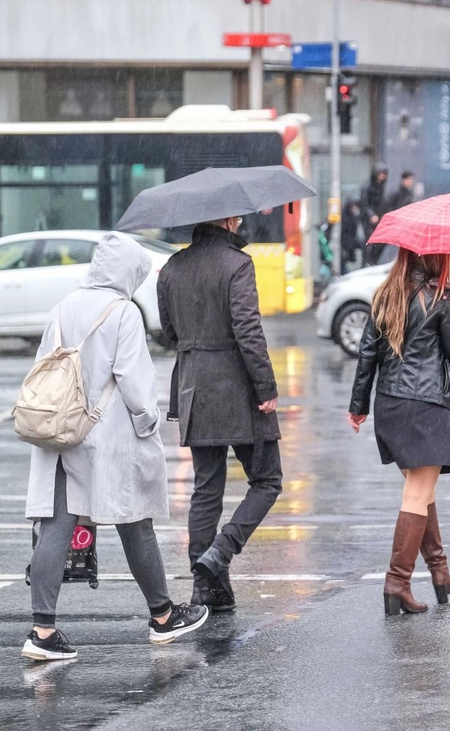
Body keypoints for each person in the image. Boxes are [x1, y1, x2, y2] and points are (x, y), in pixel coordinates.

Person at [22, 233, 207, 662]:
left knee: (56, 525)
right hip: (108, 438)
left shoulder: (64, 306)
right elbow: (134, 382)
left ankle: (42, 629)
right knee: (133, 519)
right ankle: (162, 617)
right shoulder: (123, 312)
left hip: (61, 429)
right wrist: (149, 423)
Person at [157, 217, 283, 612]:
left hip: (194, 386)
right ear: (228, 220)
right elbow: (248, 330)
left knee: (206, 488)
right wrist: (266, 387)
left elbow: (169, 332)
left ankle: (205, 586)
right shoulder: (237, 264)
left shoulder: (172, 268)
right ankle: (221, 551)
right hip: (238, 386)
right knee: (267, 479)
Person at [348, 249, 450, 616]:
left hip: (389, 403)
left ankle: (439, 571)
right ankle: (397, 581)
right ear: (438, 258)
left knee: (421, 490)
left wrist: (358, 407)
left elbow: (366, 355)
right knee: (417, 494)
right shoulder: (444, 298)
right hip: (425, 405)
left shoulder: (386, 292)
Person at [361, 165, 388, 266]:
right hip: (368, 219)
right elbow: (364, 203)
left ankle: (373, 261)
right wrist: (371, 215)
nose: (382, 176)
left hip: (378, 218)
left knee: (381, 241)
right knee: (368, 241)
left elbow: (382, 203)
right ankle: (367, 262)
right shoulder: (367, 187)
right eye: (381, 174)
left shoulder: (381, 188)